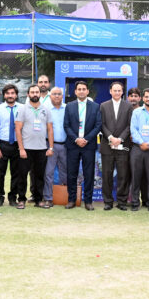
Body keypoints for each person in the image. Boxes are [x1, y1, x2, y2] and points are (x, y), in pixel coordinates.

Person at [63, 80, 102, 210]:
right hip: (73, 145)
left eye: (83, 89)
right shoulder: (69, 106)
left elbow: (98, 126)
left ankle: (88, 201)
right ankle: (71, 200)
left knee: (89, 173)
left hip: (88, 145)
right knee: (72, 173)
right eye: (79, 89)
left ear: (87, 91)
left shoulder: (95, 106)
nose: (81, 91)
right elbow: (66, 125)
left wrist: (86, 139)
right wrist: (76, 139)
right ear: (75, 91)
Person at [15, 84, 53, 208]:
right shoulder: (22, 109)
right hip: (26, 149)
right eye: (32, 92)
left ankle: (38, 200)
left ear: (40, 94)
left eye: (37, 92)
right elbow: (18, 129)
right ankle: (21, 199)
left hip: (41, 149)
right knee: (22, 175)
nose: (35, 94)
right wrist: (21, 148)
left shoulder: (46, 109)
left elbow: (50, 129)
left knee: (39, 176)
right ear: (28, 94)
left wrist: (50, 147)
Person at [99, 80, 132, 211]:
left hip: (123, 146)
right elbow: (101, 124)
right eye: (115, 90)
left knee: (123, 175)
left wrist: (121, 138)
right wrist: (111, 138)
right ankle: (108, 201)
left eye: (119, 90)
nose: (117, 92)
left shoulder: (128, 106)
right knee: (107, 174)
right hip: (107, 145)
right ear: (110, 91)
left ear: (122, 92)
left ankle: (122, 201)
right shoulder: (103, 105)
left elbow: (129, 125)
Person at [0, 84, 24, 207]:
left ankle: (12, 198)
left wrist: (22, 147)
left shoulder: (22, 108)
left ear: (16, 95)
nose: (10, 96)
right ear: (3, 95)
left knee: (16, 173)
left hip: (17, 145)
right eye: (8, 93)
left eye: (12, 93)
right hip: (2, 144)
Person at [42, 87, 67, 208]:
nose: (57, 96)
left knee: (66, 172)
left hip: (66, 146)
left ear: (62, 96)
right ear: (50, 96)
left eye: (59, 94)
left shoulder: (68, 108)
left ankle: (67, 197)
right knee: (49, 173)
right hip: (49, 145)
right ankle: (48, 198)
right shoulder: (45, 110)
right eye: (54, 94)